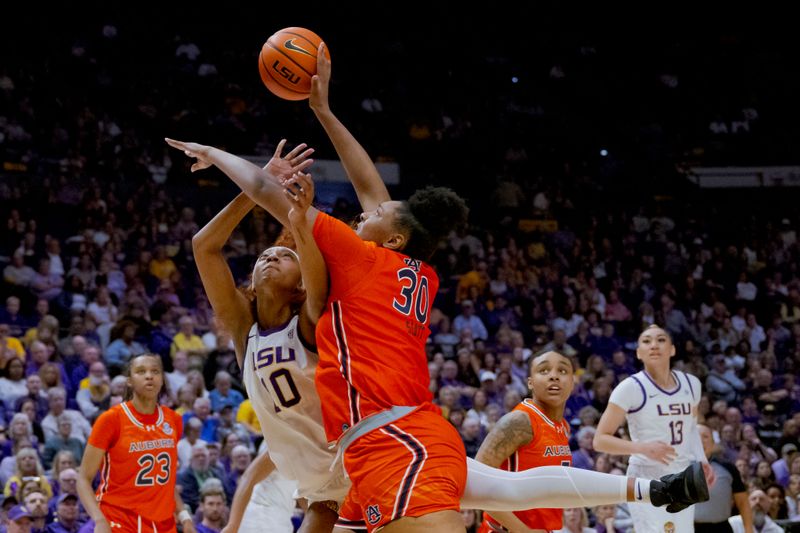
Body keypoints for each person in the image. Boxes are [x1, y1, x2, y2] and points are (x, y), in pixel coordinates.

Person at [166, 58, 710, 532]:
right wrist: (324, 112)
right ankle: (649, 489)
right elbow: (373, 191)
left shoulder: (360, 260)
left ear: (394, 236)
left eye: (372, 217)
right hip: (409, 428)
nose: (364, 211)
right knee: (502, 488)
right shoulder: (410, 268)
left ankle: (650, 489)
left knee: (501, 489)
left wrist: (215, 153)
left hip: (387, 437)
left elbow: (270, 192)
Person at [190, 142, 341, 533]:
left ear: (299, 286)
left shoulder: (309, 319)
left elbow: (314, 256)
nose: (271, 257)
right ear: (252, 284)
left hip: (355, 472)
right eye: (263, 257)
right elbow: (204, 246)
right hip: (323, 492)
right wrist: (254, 190)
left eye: (284, 256)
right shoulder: (246, 333)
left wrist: (299, 221)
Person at [594, 324, 715, 533]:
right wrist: (642, 448)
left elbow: (691, 427)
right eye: (647, 341)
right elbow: (600, 440)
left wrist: (702, 459)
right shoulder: (630, 388)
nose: (654, 345)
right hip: (646, 475)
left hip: (683, 474)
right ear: (639, 353)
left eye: (661, 340)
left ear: (673, 349)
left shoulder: (692, 384)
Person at [76, 353, 195, 533]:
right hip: (119, 519)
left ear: (162, 379)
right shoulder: (111, 419)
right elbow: (83, 478)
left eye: (155, 371)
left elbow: (166, 482)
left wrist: (185, 517)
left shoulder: (174, 420)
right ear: (130, 381)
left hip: (163, 523)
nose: (149, 376)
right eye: (141, 371)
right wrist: (99, 520)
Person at [475, 350, 574, 533]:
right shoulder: (519, 421)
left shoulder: (562, 426)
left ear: (572, 383)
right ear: (530, 383)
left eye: (562, 371)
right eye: (544, 371)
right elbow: (476, 482)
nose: (554, 376)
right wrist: (522, 530)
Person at [694, 424, 753, 532]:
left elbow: (743, 502)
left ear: (713, 443)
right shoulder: (679, 468)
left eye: (705, 437)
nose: (701, 441)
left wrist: (749, 530)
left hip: (721, 528)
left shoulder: (728, 467)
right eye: (696, 437)